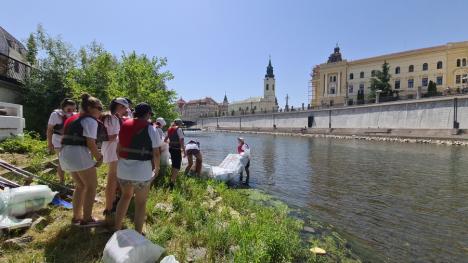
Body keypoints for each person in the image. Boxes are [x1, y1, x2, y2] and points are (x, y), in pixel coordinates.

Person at [114, 103, 161, 234]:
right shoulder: (151, 129)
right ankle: (137, 234)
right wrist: (157, 169)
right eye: (150, 114)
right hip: (142, 172)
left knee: (125, 197)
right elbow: (156, 153)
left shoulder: (124, 125)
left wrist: (123, 163)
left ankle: (116, 229)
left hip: (123, 170)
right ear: (147, 114)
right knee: (140, 203)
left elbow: (118, 150)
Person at [59, 93, 103, 226]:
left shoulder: (72, 118)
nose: (101, 111)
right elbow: (91, 142)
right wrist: (99, 158)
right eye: (99, 108)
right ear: (90, 108)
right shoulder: (90, 121)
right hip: (78, 154)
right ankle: (87, 219)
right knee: (91, 186)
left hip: (65, 154)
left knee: (80, 186)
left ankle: (76, 217)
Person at [101, 98, 129, 218]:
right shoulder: (111, 118)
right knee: (111, 179)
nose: (125, 111)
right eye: (124, 108)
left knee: (114, 178)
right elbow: (111, 137)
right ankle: (108, 208)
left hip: (113, 149)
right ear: (119, 107)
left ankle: (111, 203)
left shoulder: (114, 117)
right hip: (112, 150)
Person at [46, 98, 76, 183]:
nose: (71, 111)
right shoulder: (55, 114)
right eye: (69, 109)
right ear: (63, 107)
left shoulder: (74, 114)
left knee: (72, 159)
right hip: (58, 140)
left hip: (70, 140)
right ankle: (62, 180)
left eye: (74, 109)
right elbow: (49, 129)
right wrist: (49, 143)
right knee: (62, 160)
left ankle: (75, 179)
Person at [164, 119, 185, 188]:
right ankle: (172, 183)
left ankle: (171, 179)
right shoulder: (179, 129)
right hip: (176, 149)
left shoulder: (169, 129)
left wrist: (171, 143)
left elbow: (165, 140)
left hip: (171, 149)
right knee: (177, 166)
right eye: (181, 124)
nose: (182, 125)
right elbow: (181, 140)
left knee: (174, 164)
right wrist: (184, 150)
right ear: (179, 124)